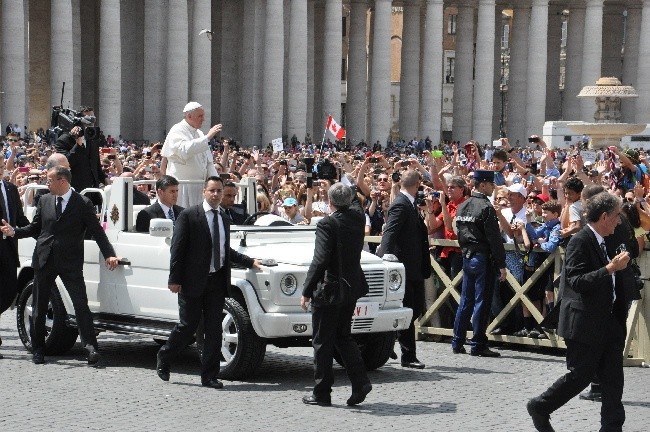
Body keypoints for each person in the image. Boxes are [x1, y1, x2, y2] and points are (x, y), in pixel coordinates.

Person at [527, 192, 630, 432]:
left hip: (610, 320)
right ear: (604, 216)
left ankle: (612, 428)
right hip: (585, 323)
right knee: (580, 376)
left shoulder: (607, 239)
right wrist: (609, 269)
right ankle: (541, 406)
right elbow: (576, 281)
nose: (618, 222)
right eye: (616, 217)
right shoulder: (580, 241)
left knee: (614, 380)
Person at [0, 166, 120, 365]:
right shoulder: (45, 200)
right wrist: (14, 232)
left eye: (50, 180)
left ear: (62, 181)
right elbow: (34, 228)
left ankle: (90, 348)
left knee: (80, 304)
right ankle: (38, 349)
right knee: (39, 305)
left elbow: (97, 231)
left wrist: (109, 254)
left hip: (70, 262)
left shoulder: (83, 203)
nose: (46, 184)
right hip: (44, 258)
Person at [156, 176, 261, 388]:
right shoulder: (189, 215)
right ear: (204, 191)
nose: (215, 195)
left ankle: (209, 376)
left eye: (219, 191)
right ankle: (165, 356)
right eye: (212, 191)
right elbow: (177, 249)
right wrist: (174, 279)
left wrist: (249, 261)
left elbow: (224, 250)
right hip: (192, 282)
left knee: (214, 329)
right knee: (188, 326)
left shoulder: (223, 218)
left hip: (216, 281)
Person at [300, 183, 372, 406]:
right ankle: (360, 382)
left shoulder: (327, 223)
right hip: (351, 287)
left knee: (322, 341)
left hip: (330, 289)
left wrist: (306, 291)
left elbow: (320, 260)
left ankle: (322, 393)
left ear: (329, 202)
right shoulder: (358, 217)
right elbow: (356, 201)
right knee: (343, 336)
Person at [379, 169, 431, 369]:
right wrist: (387, 261)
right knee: (410, 309)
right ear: (417, 184)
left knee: (415, 308)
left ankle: (390, 337)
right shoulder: (401, 204)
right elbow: (389, 234)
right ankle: (408, 355)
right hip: (403, 268)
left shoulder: (409, 203)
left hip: (414, 266)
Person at [452, 170, 506, 357]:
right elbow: (494, 239)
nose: (493, 188)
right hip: (483, 257)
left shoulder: (462, 206)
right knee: (482, 302)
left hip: (467, 255)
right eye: (491, 184)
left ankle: (457, 341)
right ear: (482, 185)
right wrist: (501, 264)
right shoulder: (486, 207)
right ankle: (478, 343)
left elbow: (459, 233)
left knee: (465, 301)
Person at [161, 102, 222, 208]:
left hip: (199, 186)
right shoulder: (177, 130)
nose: (203, 119)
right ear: (189, 116)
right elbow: (184, 150)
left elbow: (208, 162)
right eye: (200, 116)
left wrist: (216, 182)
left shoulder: (199, 134)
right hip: (182, 187)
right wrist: (207, 138)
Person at [0, 157, 30, 358]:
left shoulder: (10, 189)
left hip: (9, 249)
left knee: (9, 292)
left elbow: (19, 218)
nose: (2, 168)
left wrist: (39, 229)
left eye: (2, 165)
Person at [54, 106, 106, 204]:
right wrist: (78, 144)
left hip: (92, 191)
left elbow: (96, 164)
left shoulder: (93, 138)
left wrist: (104, 180)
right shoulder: (64, 140)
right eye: (88, 119)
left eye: (93, 119)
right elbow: (67, 164)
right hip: (75, 190)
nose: (91, 123)